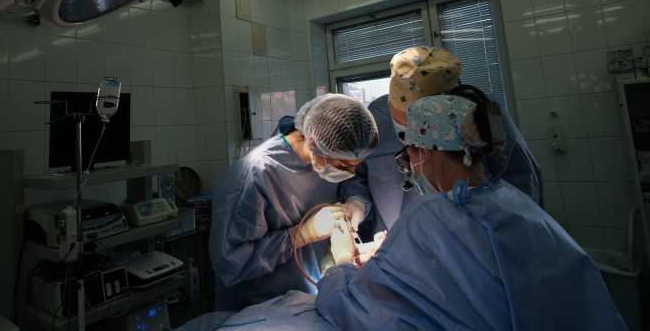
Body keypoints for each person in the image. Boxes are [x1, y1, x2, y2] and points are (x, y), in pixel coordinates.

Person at [316, 94, 626, 331]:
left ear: (430, 151)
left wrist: (341, 264)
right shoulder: (516, 205)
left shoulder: (431, 216)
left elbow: (364, 312)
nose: (411, 164)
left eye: (411, 152)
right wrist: (397, 253)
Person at [343, 46, 542, 236]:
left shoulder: (483, 120)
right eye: (404, 126)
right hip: (395, 234)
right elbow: (356, 172)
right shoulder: (376, 119)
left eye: (421, 130)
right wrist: (358, 202)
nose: (412, 148)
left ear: (450, 111)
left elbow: (521, 197)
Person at [209, 94, 379, 312]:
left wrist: (356, 204)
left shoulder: (330, 156)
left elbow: (352, 180)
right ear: (315, 144)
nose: (352, 171)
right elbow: (230, 262)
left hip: (310, 297)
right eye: (345, 166)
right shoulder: (255, 175)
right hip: (264, 308)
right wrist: (301, 234)